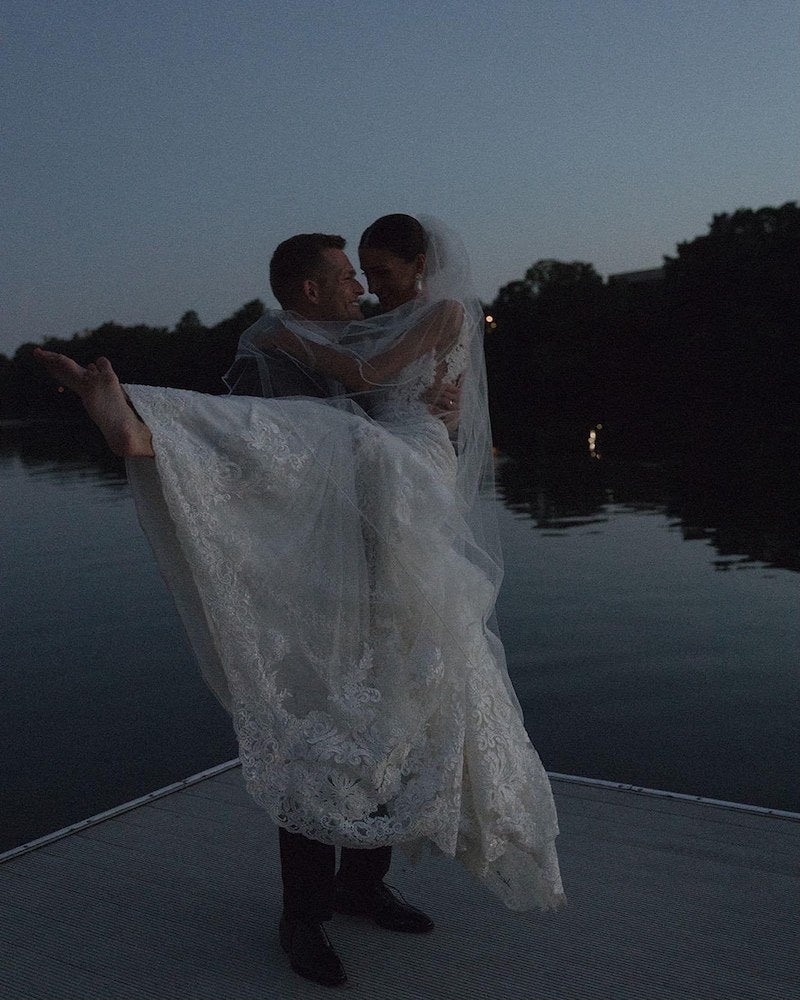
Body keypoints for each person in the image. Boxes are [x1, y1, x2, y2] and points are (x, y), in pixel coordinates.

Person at [35, 214, 565, 988]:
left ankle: (363, 884)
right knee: (323, 724)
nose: (364, 286)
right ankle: (302, 916)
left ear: (418, 266)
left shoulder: (384, 330)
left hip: (397, 537)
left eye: (374, 273)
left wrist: (431, 414)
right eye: (354, 276)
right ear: (314, 286)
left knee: (400, 709)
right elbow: (273, 435)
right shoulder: (284, 339)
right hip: (327, 561)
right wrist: (289, 347)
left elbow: (375, 384)